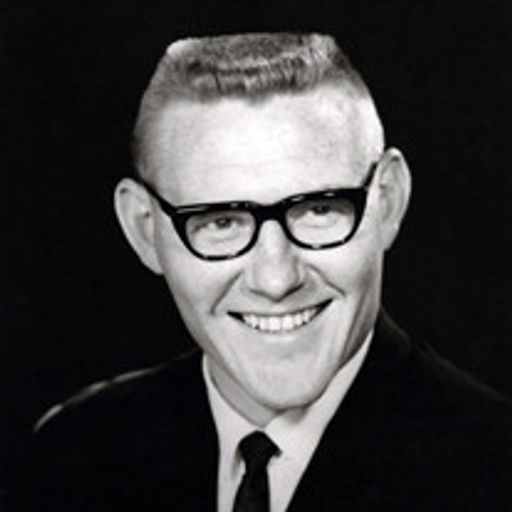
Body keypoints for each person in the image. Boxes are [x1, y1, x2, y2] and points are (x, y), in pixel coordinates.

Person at [11, 32, 512, 512]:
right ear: (145, 230)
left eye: (318, 210)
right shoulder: (74, 456)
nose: (276, 280)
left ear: (387, 201)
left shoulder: (493, 470)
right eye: (221, 222)